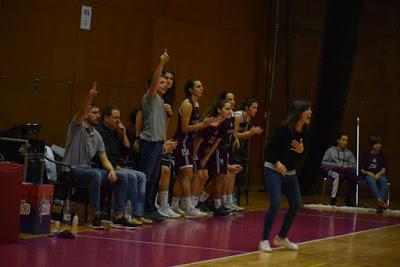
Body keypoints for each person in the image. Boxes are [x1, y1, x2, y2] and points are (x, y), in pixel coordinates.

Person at [62, 82, 135, 229]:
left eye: (98, 113)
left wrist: (112, 170)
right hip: (70, 169)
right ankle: (96, 215)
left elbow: (104, 159)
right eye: (94, 113)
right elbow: (81, 111)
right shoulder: (77, 127)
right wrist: (89, 97)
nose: (98, 116)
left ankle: (119, 215)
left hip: (88, 170)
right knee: (95, 174)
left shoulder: (97, 135)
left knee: (123, 176)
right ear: (86, 115)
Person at [259, 100, 312, 252]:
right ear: (299, 112)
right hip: (273, 169)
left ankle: (281, 238)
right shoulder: (283, 129)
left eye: (310, 110)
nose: (310, 113)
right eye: (307, 110)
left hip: (290, 173)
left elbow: (304, 155)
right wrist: (277, 163)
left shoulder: (307, 131)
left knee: (296, 205)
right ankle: (264, 240)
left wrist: (302, 150)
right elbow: (269, 150)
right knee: (275, 203)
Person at [171, 79, 219, 218]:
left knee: (182, 175)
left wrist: (206, 123)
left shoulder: (196, 104)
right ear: (191, 90)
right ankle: (189, 208)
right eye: (198, 86)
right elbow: (185, 128)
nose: (202, 88)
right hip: (182, 141)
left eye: (201, 86)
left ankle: (174, 205)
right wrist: (203, 124)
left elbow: (195, 125)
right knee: (188, 173)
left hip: (189, 142)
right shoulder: (187, 105)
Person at [96, 105, 149, 225]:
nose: (118, 120)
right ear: (106, 118)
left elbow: (126, 151)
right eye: (115, 117)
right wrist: (115, 167)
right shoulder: (100, 132)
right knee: (129, 177)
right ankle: (121, 214)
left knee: (141, 176)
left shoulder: (115, 132)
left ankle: (137, 213)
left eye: (119, 117)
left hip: (116, 166)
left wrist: (123, 134)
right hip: (104, 167)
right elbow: (105, 156)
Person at [137, 49, 170, 222]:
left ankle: (150, 207)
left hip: (158, 144)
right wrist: (161, 63)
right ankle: (139, 209)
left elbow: (161, 126)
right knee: (146, 177)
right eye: (162, 82)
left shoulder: (162, 102)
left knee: (155, 178)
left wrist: (164, 142)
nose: (165, 84)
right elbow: (154, 83)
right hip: (149, 143)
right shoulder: (149, 96)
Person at [321, 133, 358, 206]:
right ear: (338, 140)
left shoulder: (349, 153)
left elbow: (354, 166)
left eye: (346, 141)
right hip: (333, 171)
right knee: (338, 175)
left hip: (345, 171)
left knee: (354, 178)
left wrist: (347, 166)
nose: (345, 142)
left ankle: (348, 198)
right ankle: (333, 198)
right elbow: (324, 163)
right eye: (343, 140)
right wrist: (335, 165)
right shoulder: (331, 150)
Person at [361, 135, 388, 210]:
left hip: (379, 174)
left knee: (383, 179)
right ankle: (380, 201)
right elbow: (361, 170)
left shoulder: (382, 155)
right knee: (371, 179)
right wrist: (368, 173)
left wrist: (378, 174)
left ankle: (380, 203)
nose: (378, 146)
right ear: (372, 145)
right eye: (376, 144)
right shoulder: (366, 155)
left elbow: (384, 169)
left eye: (379, 144)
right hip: (368, 175)